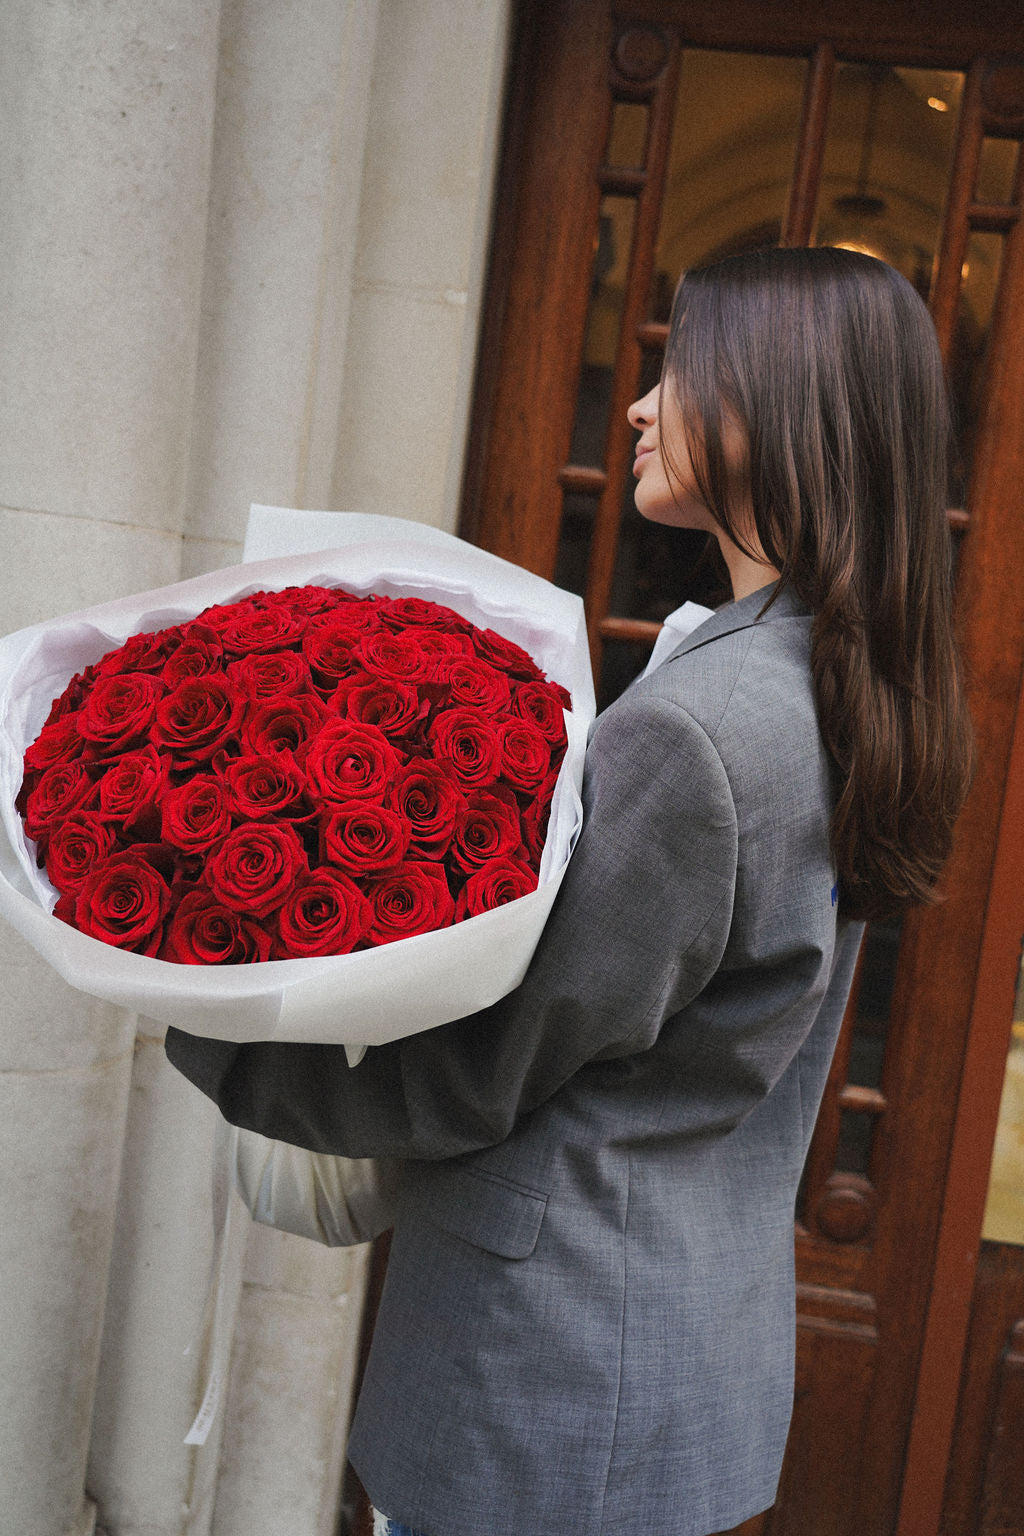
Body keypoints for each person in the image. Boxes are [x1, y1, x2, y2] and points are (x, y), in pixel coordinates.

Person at [165, 246, 974, 1536]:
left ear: (775, 404)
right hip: (674, 1346)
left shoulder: (706, 728)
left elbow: (490, 1068)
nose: (641, 405)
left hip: (553, 1380)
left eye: (679, 369)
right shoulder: (844, 687)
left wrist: (211, 1020)